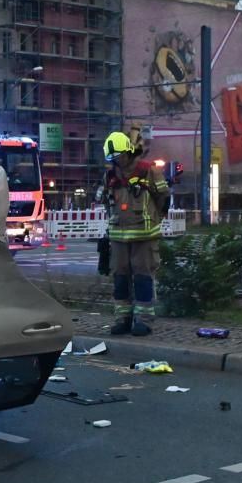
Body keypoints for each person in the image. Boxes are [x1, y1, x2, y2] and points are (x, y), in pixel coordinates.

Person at [103, 130, 170, 337]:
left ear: (128, 152)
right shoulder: (111, 175)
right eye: (112, 158)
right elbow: (107, 202)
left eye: (118, 157)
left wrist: (155, 218)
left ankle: (143, 320)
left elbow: (163, 197)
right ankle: (122, 318)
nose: (116, 162)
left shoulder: (148, 171)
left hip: (145, 235)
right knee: (120, 278)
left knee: (143, 277)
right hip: (119, 238)